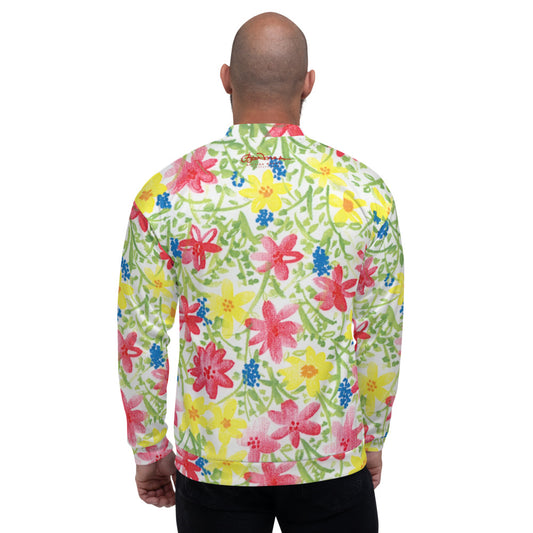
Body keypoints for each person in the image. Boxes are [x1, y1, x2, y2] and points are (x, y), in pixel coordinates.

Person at [117, 11, 404, 533]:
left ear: (226, 78)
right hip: (330, 455)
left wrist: (149, 449)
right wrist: (372, 439)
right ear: (309, 84)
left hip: (213, 460)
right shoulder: (364, 192)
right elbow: (381, 331)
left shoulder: (166, 194)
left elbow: (141, 335)